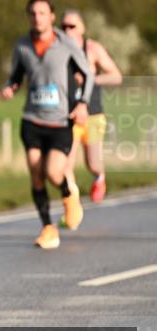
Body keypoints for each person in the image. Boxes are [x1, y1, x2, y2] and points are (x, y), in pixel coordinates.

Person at [0, 0, 93, 249]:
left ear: (52, 17)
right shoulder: (22, 45)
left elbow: (87, 73)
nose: (37, 18)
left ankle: (68, 194)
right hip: (32, 119)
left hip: (61, 120)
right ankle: (48, 228)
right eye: (32, 13)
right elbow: (16, 76)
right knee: (35, 173)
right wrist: (10, 88)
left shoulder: (65, 44)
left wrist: (83, 103)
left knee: (53, 172)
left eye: (42, 13)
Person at [60, 10, 122, 204]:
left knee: (93, 163)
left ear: (82, 28)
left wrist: (91, 78)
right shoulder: (58, 50)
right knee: (65, 165)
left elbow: (116, 76)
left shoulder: (92, 48)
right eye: (63, 27)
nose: (67, 30)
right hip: (69, 115)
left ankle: (99, 178)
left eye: (72, 26)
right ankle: (72, 204)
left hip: (93, 114)